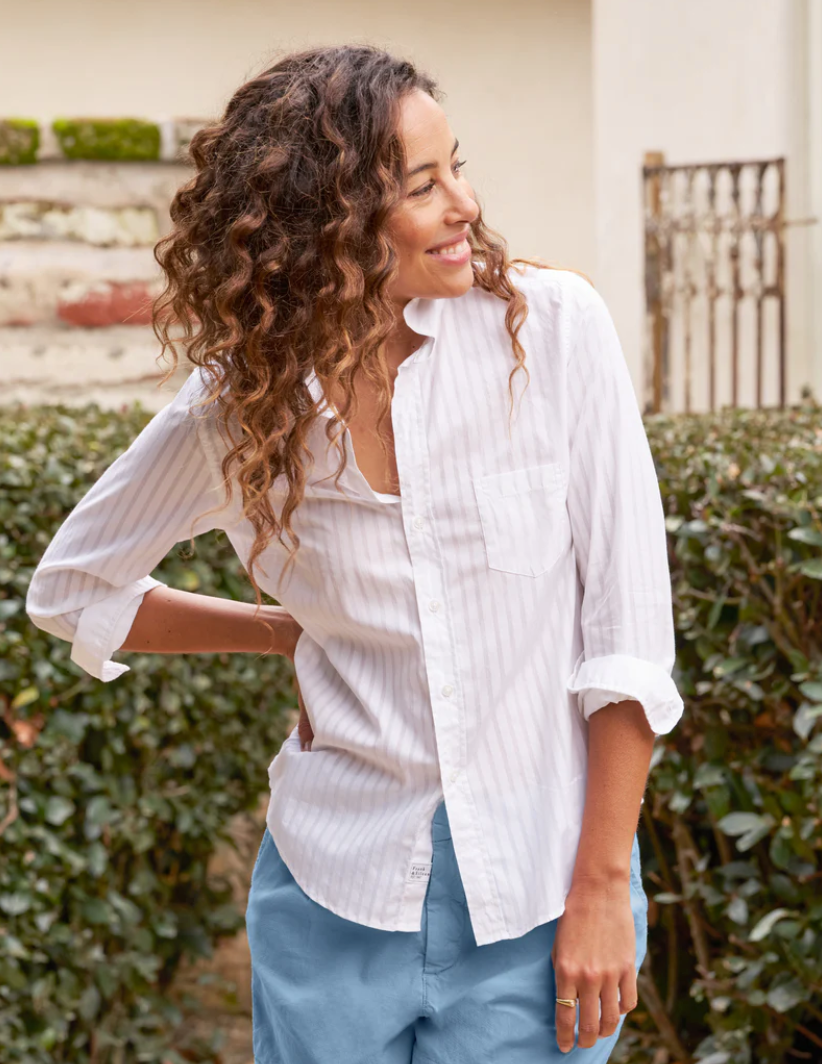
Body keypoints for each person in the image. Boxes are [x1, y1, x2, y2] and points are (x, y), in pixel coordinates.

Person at [25, 43, 684, 1063]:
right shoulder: (243, 406)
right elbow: (73, 588)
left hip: (542, 894)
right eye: (423, 184)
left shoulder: (553, 337)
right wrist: (277, 634)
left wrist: (603, 890)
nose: (466, 202)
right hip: (331, 893)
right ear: (324, 225)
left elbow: (629, 642)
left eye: (456, 164)